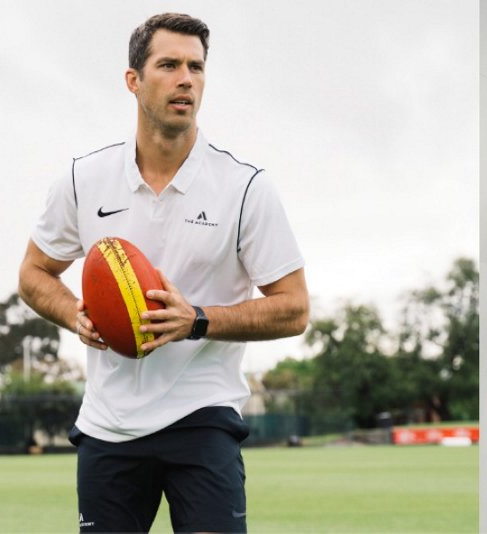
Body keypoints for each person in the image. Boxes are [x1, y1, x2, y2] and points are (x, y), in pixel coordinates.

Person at [18, 13, 308, 533]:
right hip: (108, 426)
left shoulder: (245, 188)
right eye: (169, 65)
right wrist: (75, 313)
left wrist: (196, 319)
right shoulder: (84, 179)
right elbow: (34, 274)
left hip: (202, 419)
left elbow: (294, 307)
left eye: (196, 67)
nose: (186, 79)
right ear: (134, 80)